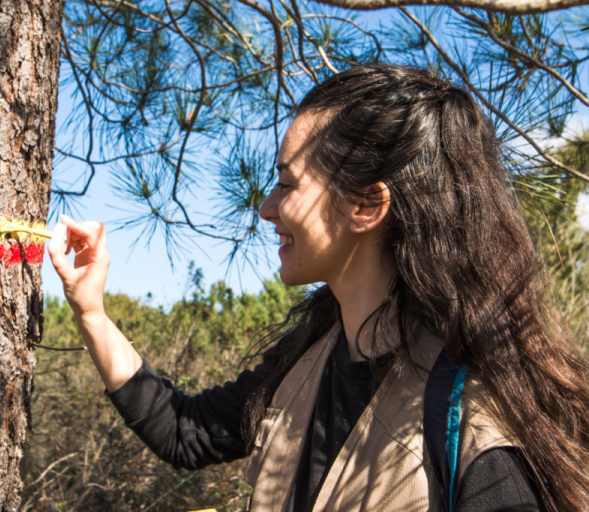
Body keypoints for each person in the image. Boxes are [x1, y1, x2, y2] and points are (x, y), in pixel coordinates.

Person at [48, 64, 589, 512]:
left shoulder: (470, 422)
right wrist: (90, 309)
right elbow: (184, 430)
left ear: (368, 206)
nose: (265, 208)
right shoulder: (307, 357)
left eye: (286, 184)